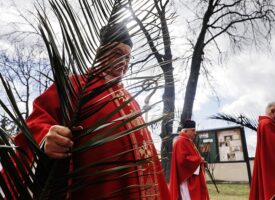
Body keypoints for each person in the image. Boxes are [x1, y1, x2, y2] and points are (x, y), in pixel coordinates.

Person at [13, 22, 170, 199]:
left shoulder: (131, 100)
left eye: (128, 58)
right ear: (100, 52)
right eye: (117, 53)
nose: (124, 62)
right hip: (93, 189)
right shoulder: (74, 85)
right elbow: (36, 121)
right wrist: (46, 138)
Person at [169, 120, 209, 200]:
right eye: (193, 130)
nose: (195, 133)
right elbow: (182, 160)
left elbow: (191, 157)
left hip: (193, 176)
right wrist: (199, 160)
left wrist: (201, 162)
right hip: (187, 178)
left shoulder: (188, 141)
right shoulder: (180, 141)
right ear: (186, 131)